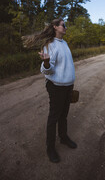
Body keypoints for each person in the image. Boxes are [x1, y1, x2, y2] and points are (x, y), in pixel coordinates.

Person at [24, 18, 77, 163]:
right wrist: (46, 62)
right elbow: (47, 70)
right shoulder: (50, 45)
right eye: (63, 25)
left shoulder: (65, 43)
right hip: (56, 87)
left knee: (64, 115)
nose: (65, 27)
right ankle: (50, 148)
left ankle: (64, 138)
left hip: (68, 86)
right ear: (55, 27)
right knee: (54, 117)